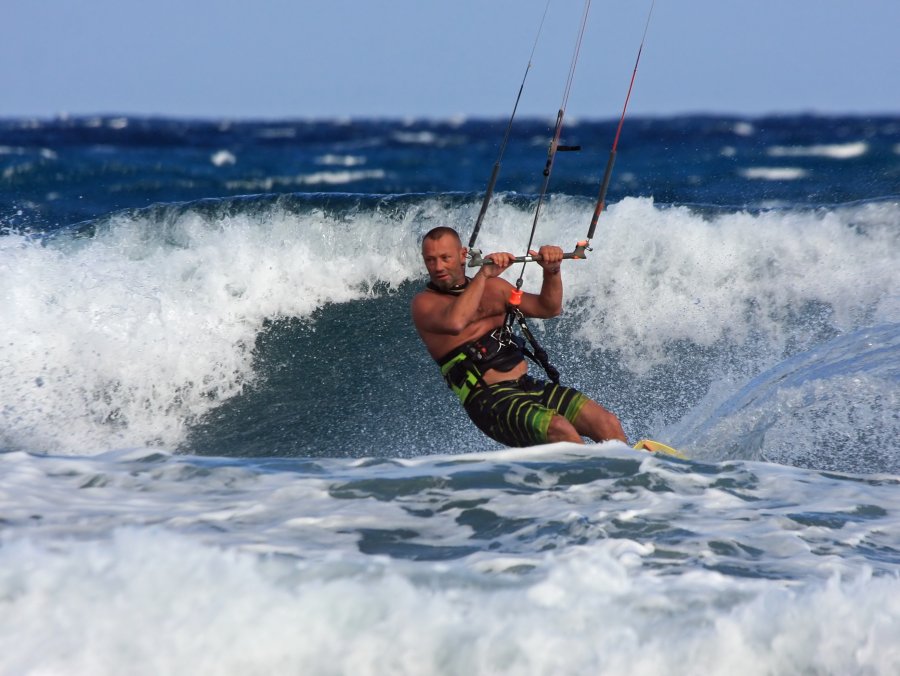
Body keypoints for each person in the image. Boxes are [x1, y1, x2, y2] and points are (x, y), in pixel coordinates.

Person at [411, 226, 627, 447]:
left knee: (607, 424)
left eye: (445, 258)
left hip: (525, 386)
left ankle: (627, 476)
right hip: (489, 401)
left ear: (462, 255)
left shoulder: (495, 288)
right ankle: (586, 478)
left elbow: (548, 308)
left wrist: (551, 271)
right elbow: (456, 322)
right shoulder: (425, 304)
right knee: (560, 429)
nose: (438, 267)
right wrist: (484, 274)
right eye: (430, 260)